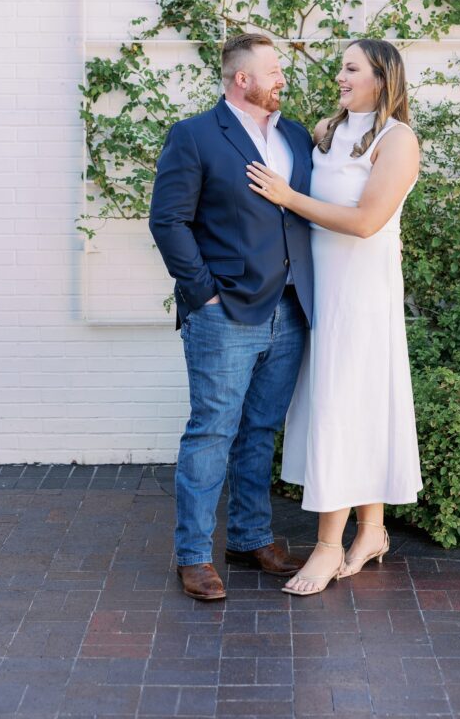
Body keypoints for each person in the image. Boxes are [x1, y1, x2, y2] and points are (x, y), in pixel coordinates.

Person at [246, 38, 423, 596]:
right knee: (351, 404)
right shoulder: (326, 131)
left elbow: (368, 221)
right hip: (321, 289)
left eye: (351, 68)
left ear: (381, 78)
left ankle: (327, 547)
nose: (340, 77)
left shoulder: (399, 140)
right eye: (341, 68)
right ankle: (370, 531)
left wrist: (286, 197)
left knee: (342, 406)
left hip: (363, 293)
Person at [148, 33, 315, 601]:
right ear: (242, 79)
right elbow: (168, 220)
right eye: (273, 70)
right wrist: (204, 294)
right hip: (225, 313)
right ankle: (194, 555)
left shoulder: (295, 136)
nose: (282, 79)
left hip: (290, 308)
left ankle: (250, 538)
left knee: (260, 428)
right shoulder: (195, 135)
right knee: (212, 431)